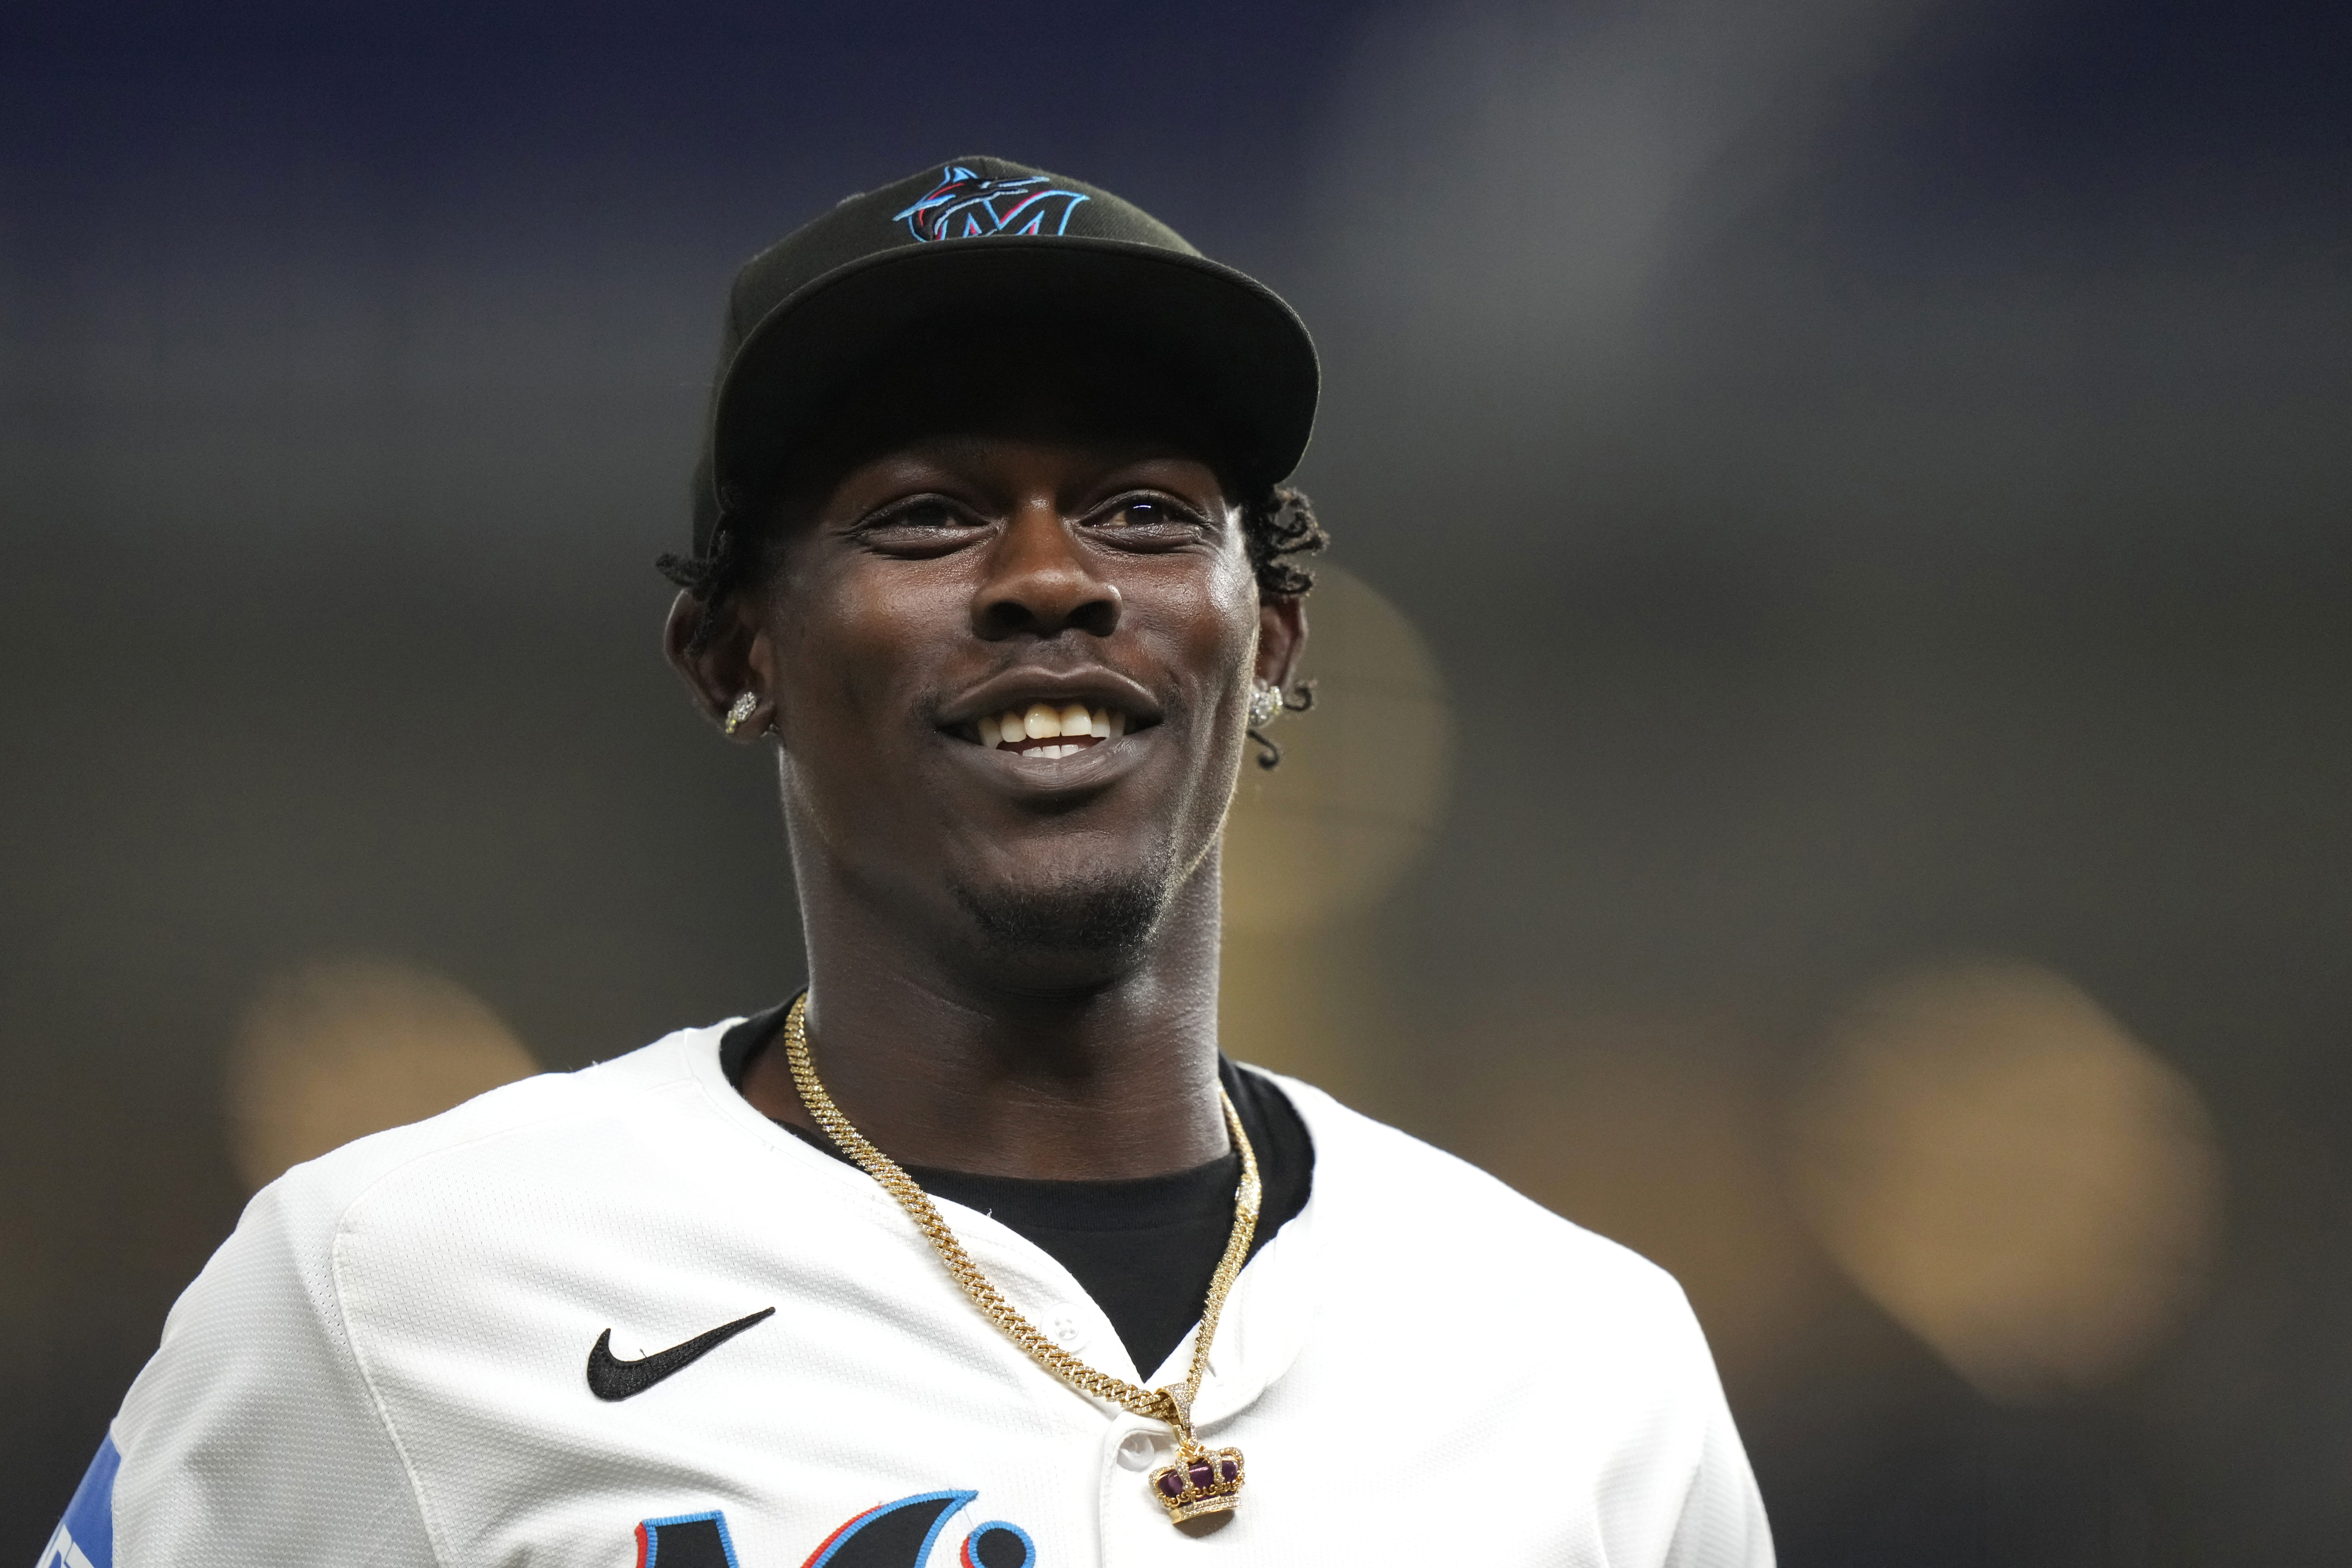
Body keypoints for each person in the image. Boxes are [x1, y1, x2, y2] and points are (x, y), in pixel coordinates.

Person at [42, 157, 1772, 1568]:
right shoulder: (399, 1282)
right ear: (735, 655)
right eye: (926, 516)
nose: (1047, 575)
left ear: (1272, 642)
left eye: (1146, 511)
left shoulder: (1580, 1348)